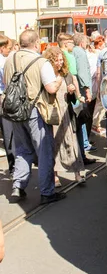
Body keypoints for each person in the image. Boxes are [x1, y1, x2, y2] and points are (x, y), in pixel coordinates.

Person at [3, 30, 66, 204]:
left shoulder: (10, 59)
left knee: (22, 149)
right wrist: (59, 80)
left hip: (15, 111)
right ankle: (47, 192)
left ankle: (18, 186)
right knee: (44, 151)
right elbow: (51, 88)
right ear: (36, 43)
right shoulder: (41, 62)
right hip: (35, 110)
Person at [43, 46, 85, 186]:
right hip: (53, 115)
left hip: (66, 113)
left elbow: (72, 100)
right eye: (57, 60)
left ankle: (78, 174)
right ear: (50, 61)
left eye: (61, 60)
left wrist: (72, 92)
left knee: (72, 144)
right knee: (54, 145)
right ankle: (55, 176)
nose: (60, 63)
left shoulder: (66, 75)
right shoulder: (47, 76)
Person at [73, 33, 97, 159]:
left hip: (78, 90)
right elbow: (83, 72)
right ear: (82, 43)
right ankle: (84, 145)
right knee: (82, 117)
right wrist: (87, 90)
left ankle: (83, 144)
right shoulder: (81, 53)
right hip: (82, 91)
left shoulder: (74, 51)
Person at [0, 36, 14, 173]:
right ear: (2, 47)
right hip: (3, 98)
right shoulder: (4, 62)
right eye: (8, 49)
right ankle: (14, 167)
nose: (9, 51)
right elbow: (7, 81)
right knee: (9, 134)